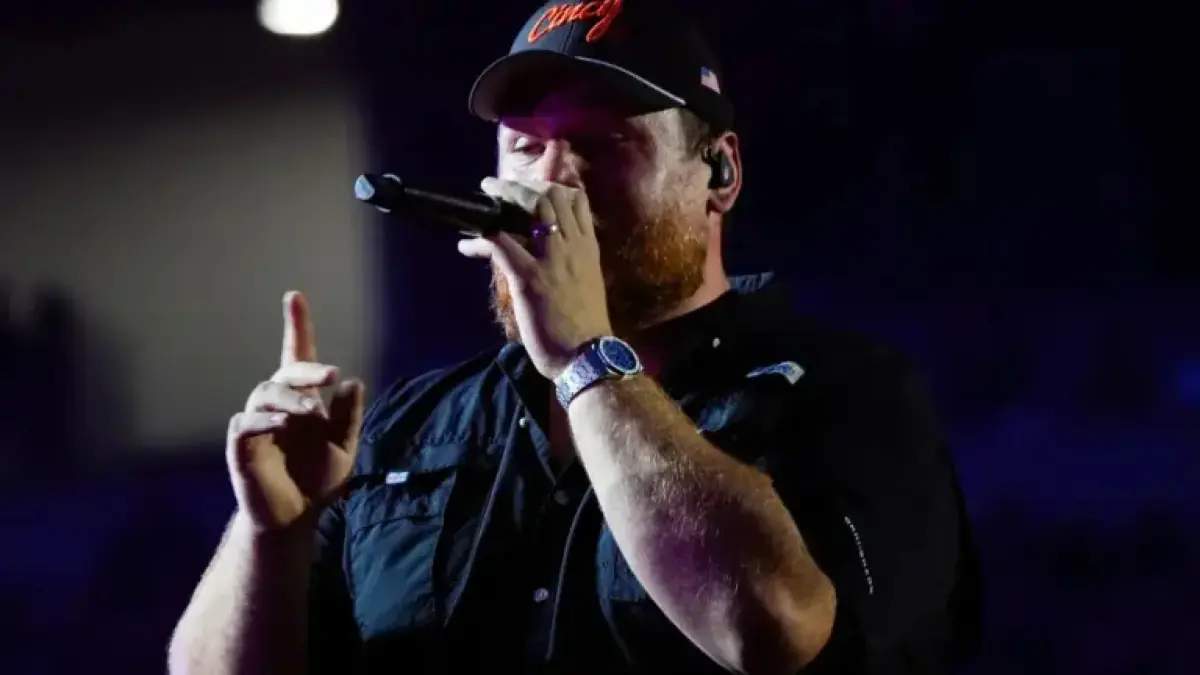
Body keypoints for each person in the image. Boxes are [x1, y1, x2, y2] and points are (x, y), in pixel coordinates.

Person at [168, 1, 981, 674]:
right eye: (525, 147)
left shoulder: (849, 392)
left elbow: (772, 630)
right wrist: (272, 535)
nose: (551, 180)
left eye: (601, 142)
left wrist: (587, 356)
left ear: (721, 171)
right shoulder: (413, 425)